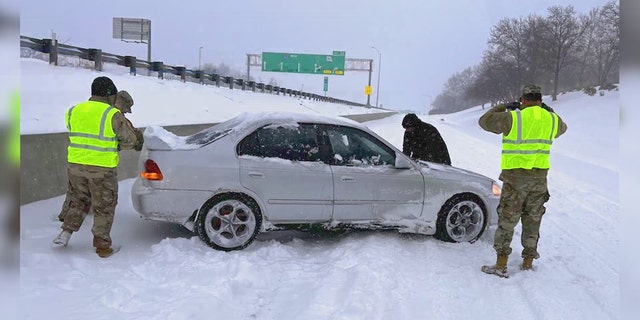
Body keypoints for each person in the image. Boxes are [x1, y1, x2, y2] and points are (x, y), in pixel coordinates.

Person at [479, 84, 567, 278]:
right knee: (533, 219)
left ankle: (501, 264)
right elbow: (563, 127)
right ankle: (528, 262)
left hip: (515, 179)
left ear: (523, 100)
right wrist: (549, 111)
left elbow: (484, 122)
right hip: (539, 179)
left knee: (508, 220)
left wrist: (502, 107)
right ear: (540, 100)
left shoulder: (513, 117)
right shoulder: (551, 119)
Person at [52, 77, 140, 258]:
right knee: (104, 206)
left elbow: (79, 134)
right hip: (101, 169)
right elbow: (130, 140)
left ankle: (66, 232)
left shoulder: (73, 111)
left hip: (76, 166)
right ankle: (102, 246)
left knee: (78, 200)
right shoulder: (111, 114)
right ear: (109, 94)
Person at [55, 90, 143, 223]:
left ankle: (66, 218)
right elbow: (128, 137)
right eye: (124, 109)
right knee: (101, 198)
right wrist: (137, 141)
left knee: (76, 192)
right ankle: (90, 228)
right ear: (118, 101)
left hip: (78, 160)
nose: (124, 113)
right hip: (99, 162)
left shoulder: (91, 110)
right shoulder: (112, 114)